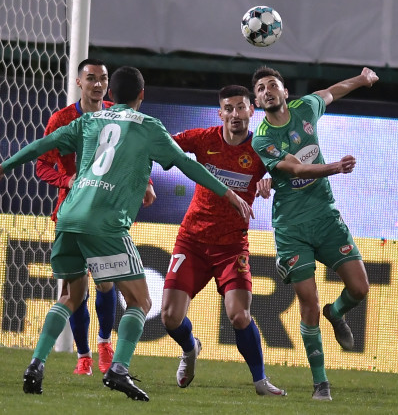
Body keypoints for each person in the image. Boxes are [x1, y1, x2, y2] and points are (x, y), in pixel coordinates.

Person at [2, 66, 252, 401]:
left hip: (68, 217)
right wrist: (231, 194)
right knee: (140, 301)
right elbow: (188, 165)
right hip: (105, 224)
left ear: (109, 95)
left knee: (69, 297)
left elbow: (39, 147)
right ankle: (118, 369)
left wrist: (3, 167)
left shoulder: (87, 121)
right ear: (142, 96)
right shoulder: (149, 127)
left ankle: (36, 363)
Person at [250, 65, 378, 400]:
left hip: (326, 218)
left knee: (361, 288)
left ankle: (336, 313)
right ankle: (321, 383)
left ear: (285, 92)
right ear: (257, 99)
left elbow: (333, 91)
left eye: (272, 85)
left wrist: (362, 81)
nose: (267, 90)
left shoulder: (305, 108)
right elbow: (294, 168)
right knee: (308, 300)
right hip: (292, 228)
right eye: (261, 88)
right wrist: (333, 167)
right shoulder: (262, 138)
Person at [160, 84, 285, 396]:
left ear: (251, 111)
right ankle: (190, 349)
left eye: (241, 107)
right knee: (169, 317)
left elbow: (283, 169)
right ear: (220, 114)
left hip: (231, 247)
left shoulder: (261, 148)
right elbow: (161, 147)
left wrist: (273, 178)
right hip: (192, 240)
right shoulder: (203, 139)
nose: (235, 114)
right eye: (228, 109)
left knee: (240, 315)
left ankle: (260, 381)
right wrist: (146, 177)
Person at [36, 58, 156, 376]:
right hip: (72, 215)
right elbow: (41, 164)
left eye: (103, 78)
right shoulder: (62, 119)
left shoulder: (117, 116)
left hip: (105, 215)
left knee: (106, 287)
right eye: (91, 78)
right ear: (79, 83)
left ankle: (104, 345)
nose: (98, 84)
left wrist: (147, 182)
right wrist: (68, 180)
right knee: (75, 290)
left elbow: (132, 154)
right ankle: (84, 355)